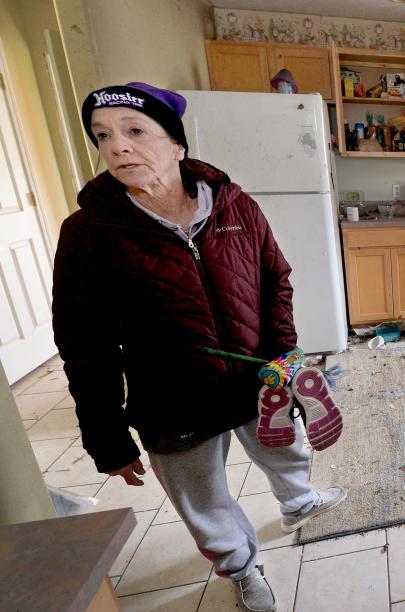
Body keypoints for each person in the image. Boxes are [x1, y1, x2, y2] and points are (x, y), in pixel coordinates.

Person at [51, 82, 346, 612]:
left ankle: (299, 503)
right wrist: (105, 434)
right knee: (201, 498)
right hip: (172, 395)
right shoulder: (88, 233)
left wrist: (282, 352)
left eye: (136, 132)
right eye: (103, 136)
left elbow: (274, 278)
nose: (117, 146)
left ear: (177, 145)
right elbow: (82, 342)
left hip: (257, 376)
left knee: (285, 446)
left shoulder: (234, 203)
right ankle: (240, 567)